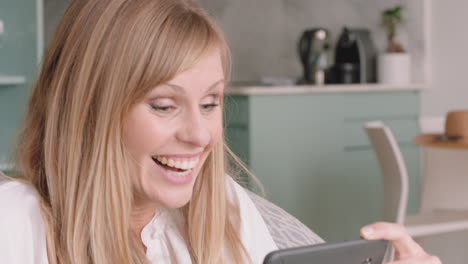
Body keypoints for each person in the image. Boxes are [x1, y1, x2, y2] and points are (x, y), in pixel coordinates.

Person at [0, 0, 441, 263]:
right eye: (164, 105)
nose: (200, 135)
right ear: (89, 109)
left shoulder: (224, 208)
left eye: (210, 103)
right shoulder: (17, 223)